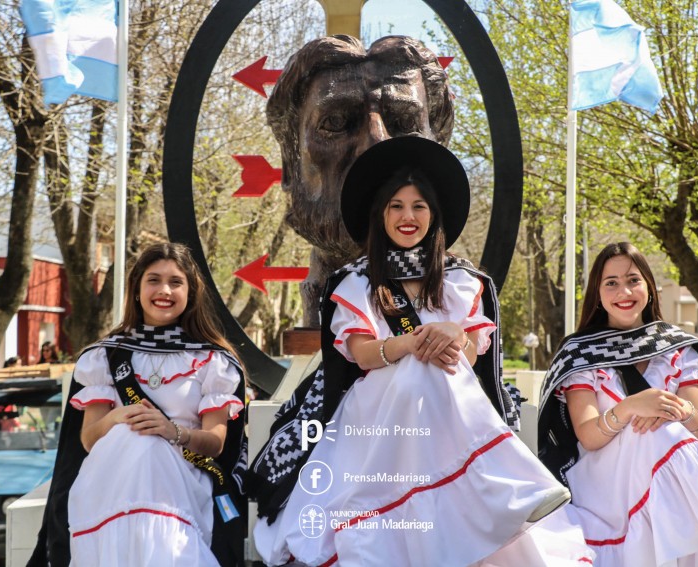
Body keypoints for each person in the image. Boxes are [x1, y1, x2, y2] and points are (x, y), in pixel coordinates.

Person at [248, 137, 591, 566]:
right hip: (376, 410)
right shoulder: (356, 281)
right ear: (380, 215)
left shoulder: (464, 281)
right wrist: (411, 343)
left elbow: (467, 359)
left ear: (434, 215)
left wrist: (450, 332)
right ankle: (508, 487)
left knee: (435, 371)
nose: (407, 216)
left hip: (445, 407)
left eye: (418, 206)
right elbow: (360, 353)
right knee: (418, 370)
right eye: (396, 206)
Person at [538, 242, 698, 566]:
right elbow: (587, 435)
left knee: (662, 430)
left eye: (633, 279)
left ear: (649, 286)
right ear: (597, 293)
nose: (624, 291)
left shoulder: (676, 348)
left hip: (667, 474)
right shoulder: (582, 353)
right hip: (602, 482)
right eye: (611, 283)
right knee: (653, 432)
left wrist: (679, 411)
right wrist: (631, 407)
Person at [27, 243, 247, 567]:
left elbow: (216, 444)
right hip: (111, 483)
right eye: (153, 280)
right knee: (137, 442)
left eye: (176, 282)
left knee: (150, 449)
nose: (164, 290)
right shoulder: (105, 357)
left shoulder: (210, 359)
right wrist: (117, 417)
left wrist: (173, 432)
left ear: (190, 292)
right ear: (136, 289)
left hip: (180, 484)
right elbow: (88, 439)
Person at [267, 34, 454, 326]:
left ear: (439, 149)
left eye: (405, 124)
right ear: (291, 161)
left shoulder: (465, 290)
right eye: (337, 123)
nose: (376, 145)